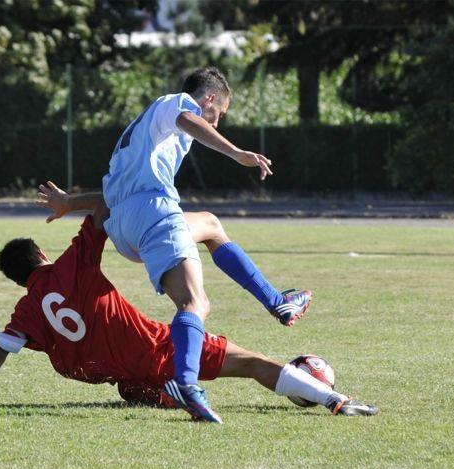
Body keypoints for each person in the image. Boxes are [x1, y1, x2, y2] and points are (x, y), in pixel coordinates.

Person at [0, 192, 377, 418]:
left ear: (19, 279)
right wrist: (71, 203)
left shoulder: (26, 310)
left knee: (131, 385)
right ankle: (333, 399)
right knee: (253, 363)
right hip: (157, 349)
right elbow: (103, 208)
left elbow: (1, 349)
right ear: (41, 255)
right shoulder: (69, 265)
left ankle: (160, 391)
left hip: (115, 373)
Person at [100, 67, 313, 422]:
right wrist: (237, 153)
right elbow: (189, 119)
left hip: (123, 228)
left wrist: (69, 203)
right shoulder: (177, 103)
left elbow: (114, 195)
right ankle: (185, 383)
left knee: (210, 225)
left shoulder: (140, 130)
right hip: (152, 213)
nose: (217, 121)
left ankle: (279, 302)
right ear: (209, 98)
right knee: (195, 303)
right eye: (220, 113)